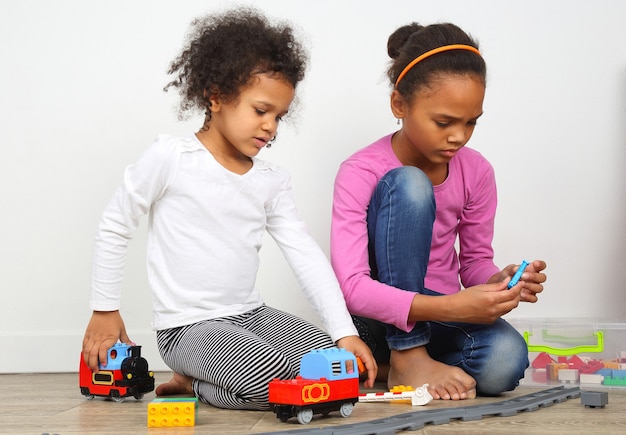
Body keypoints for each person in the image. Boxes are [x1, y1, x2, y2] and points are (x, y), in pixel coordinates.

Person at [81, 7, 377, 411]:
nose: (271, 127)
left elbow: (304, 254)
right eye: (260, 111)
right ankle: (198, 383)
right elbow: (116, 225)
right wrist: (104, 308)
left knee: (329, 364)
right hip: (188, 328)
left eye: (279, 116)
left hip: (254, 315)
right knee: (276, 381)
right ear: (216, 95)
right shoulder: (171, 158)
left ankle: (202, 379)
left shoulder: (271, 179)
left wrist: (343, 333)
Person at [330, 22, 547, 401]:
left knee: (505, 361)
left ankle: (390, 368)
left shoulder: (476, 170)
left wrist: (498, 281)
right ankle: (408, 353)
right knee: (410, 183)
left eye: (471, 122)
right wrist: (452, 306)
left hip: (441, 313)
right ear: (400, 104)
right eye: (444, 122)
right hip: (378, 319)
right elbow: (352, 288)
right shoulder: (360, 170)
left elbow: (474, 263)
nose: (458, 136)